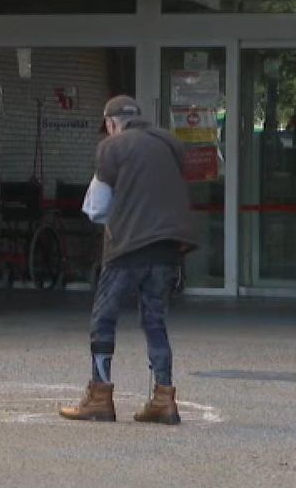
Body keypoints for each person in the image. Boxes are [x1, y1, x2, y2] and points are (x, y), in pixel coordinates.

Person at [60, 95, 196, 424]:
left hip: (127, 247)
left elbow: (95, 207)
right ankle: (164, 398)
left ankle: (99, 396)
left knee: (103, 318)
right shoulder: (170, 144)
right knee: (154, 320)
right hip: (166, 247)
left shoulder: (113, 148)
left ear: (111, 123)